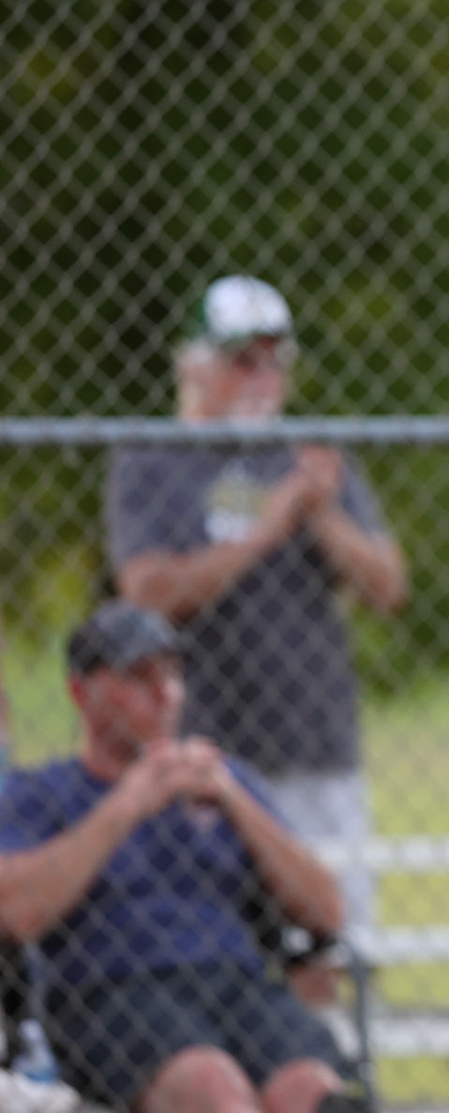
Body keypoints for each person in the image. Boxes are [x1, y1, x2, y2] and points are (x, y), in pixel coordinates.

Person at [107, 276, 407, 927]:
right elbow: (148, 592)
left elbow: (388, 586)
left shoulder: (311, 460)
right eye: (242, 359)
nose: (262, 376)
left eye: (275, 360)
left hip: (313, 745)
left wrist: (320, 512)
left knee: (332, 943)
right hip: (200, 752)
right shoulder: (150, 458)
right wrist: (268, 527)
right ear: (193, 365)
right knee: (207, 940)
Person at [0, 602, 349, 1113]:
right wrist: (127, 803)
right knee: (216, 1091)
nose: (164, 694)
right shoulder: (44, 793)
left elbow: (327, 911)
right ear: (81, 693)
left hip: (235, 985)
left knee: (312, 1091)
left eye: (172, 675)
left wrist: (236, 803)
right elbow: (16, 910)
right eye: (139, 677)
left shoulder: (226, 781)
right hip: (114, 992)